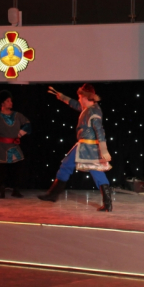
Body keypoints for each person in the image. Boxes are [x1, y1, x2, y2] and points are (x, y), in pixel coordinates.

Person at [38, 84, 113, 212]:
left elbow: (100, 131)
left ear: (85, 97)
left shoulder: (93, 111)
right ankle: (53, 195)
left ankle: (107, 203)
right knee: (69, 166)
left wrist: (104, 150)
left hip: (87, 147)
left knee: (93, 171)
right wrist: (62, 97)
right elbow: (75, 104)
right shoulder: (88, 108)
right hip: (84, 145)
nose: (78, 99)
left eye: (79, 97)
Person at [0, 90, 31, 199]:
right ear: (2, 103)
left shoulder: (17, 115)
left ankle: (16, 189)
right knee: (0, 170)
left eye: (11, 101)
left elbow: (27, 124)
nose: (11, 103)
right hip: (1, 147)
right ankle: (2, 190)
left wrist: (19, 134)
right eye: (8, 101)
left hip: (14, 146)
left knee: (17, 169)